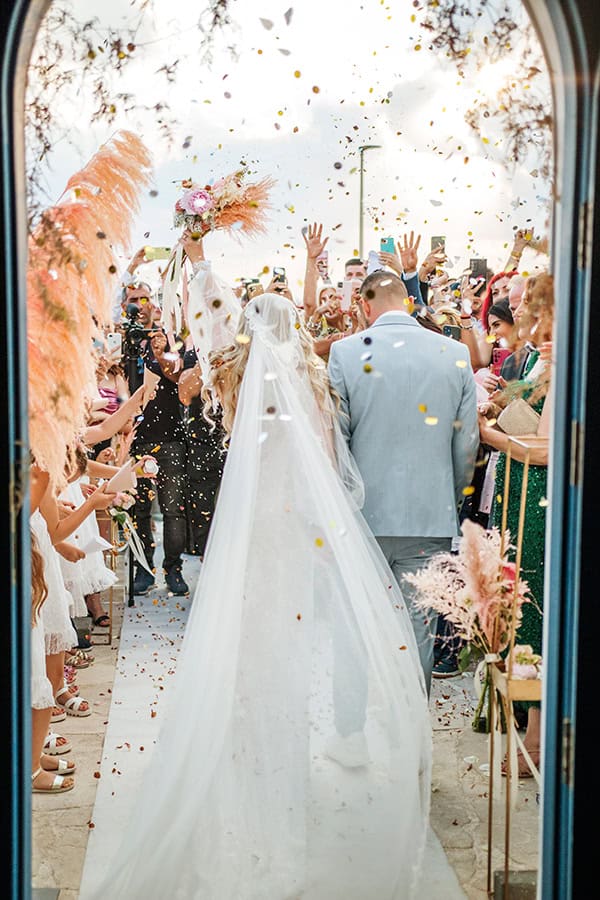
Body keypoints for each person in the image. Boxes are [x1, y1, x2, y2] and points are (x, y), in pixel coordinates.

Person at [82, 293, 432, 900]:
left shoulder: (231, 374)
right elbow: (327, 457)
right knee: (290, 643)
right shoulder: (312, 377)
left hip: (251, 523)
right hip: (294, 525)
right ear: (292, 326)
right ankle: (285, 760)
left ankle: (242, 754)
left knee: (247, 642)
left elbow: (225, 439)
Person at [328, 269, 479, 695]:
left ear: (364, 305)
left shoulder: (343, 352)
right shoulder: (454, 354)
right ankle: (413, 743)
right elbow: (466, 442)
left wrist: (344, 504)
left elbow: (336, 440)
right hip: (428, 516)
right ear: (407, 302)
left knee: (358, 627)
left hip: (363, 517)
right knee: (418, 635)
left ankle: (352, 732)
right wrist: (446, 500)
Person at [478, 271, 554, 778]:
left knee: (534, 607)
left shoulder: (562, 362)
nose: (522, 313)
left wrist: (491, 435)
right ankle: (524, 715)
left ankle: (538, 732)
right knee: (515, 601)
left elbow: (545, 450)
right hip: (515, 496)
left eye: (534, 305)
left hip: (539, 499)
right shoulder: (532, 361)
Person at [130, 328, 190, 596]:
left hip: (171, 440)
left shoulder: (177, 347)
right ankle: (144, 568)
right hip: (137, 441)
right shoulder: (129, 347)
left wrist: (162, 351)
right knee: (139, 510)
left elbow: (177, 379)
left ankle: (173, 569)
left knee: (173, 510)